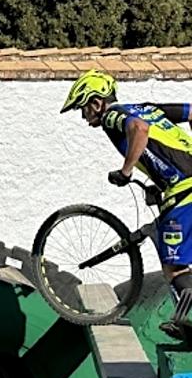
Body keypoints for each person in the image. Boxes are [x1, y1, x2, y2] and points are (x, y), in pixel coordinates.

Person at [61, 69, 192, 335]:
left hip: (185, 191)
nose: (84, 117)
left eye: (83, 109)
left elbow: (139, 129)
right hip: (181, 186)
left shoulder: (112, 116)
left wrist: (126, 171)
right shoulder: (147, 107)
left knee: (175, 268)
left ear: (97, 102)